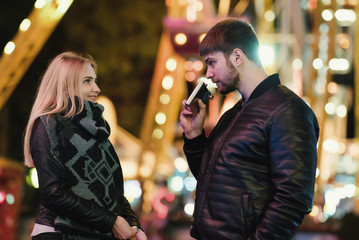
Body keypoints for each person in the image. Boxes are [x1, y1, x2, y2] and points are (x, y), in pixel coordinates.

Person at [180, 18, 319, 240]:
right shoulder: (234, 113)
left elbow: (293, 197)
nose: (207, 74)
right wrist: (194, 136)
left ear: (237, 56)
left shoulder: (288, 110)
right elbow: (210, 179)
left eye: (212, 62)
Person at [23, 52, 147, 240]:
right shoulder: (48, 124)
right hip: (57, 233)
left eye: (95, 81)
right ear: (64, 86)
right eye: (87, 81)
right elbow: (54, 193)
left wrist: (135, 226)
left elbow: (116, 194)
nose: (96, 88)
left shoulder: (99, 131)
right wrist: (111, 221)